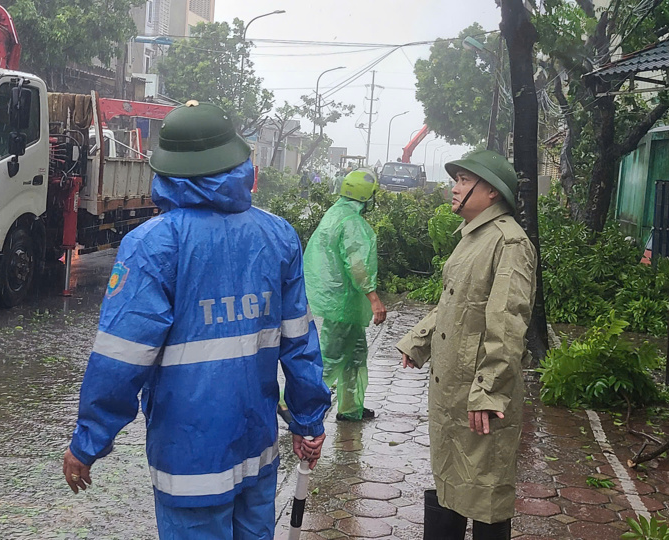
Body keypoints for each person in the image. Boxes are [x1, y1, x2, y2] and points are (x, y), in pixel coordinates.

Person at [62, 101, 332, 539]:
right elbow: (299, 341)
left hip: (190, 461)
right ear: (241, 164)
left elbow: (121, 359)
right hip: (257, 451)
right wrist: (308, 421)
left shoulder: (152, 245)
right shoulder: (278, 234)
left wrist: (87, 443)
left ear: (166, 171)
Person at [396, 150, 536, 540]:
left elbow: (508, 322)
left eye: (462, 180)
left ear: (491, 191)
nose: (454, 189)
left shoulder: (508, 243)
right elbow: (455, 303)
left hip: (479, 392)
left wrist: (490, 391)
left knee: (486, 492)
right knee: (451, 482)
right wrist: (418, 341)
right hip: (453, 387)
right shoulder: (474, 236)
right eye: (456, 180)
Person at [303, 167, 387, 421]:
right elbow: (357, 265)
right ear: (366, 196)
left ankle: (351, 409)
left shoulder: (335, 214)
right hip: (344, 302)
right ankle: (291, 402)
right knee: (332, 358)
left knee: (355, 354)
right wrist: (374, 300)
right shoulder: (352, 222)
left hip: (340, 300)